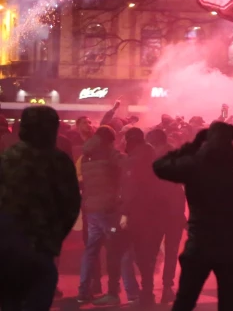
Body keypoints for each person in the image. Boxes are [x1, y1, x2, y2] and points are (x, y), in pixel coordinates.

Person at [153, 122, 233, 311]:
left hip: (200, 244)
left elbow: (160, 167)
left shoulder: (195, 165)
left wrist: (193, 144)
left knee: (185, 301)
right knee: (229, 304)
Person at [0, 106, 82, 311]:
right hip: (41, 250)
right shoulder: (60, 161)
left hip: (7, 248)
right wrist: (53, 237)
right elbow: (71, 204)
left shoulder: (7, 157)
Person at [78, 125, 138, 305]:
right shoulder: (108, 152)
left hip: (92, 209)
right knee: (122, 250)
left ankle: (83, 292)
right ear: (109, 140)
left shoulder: (86, 155)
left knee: (91, 251)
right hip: (109, 209)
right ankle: (132, 293)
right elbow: (128, 165)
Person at [120, 128, 160, 305]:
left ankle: (144, 293)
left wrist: (125, 213)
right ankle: (148, 290)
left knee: (138, 253)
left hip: (138, 213)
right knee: (150, 253)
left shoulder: (134, 160)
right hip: (156, 212)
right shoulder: (153, 156)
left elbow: (130, 189)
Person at [147, 128, 186, 303]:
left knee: (151, 251)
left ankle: (147, 289)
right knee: (171, 251)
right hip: (174, 213)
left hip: (154, 212)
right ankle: (167, 288)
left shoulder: (148, 158)